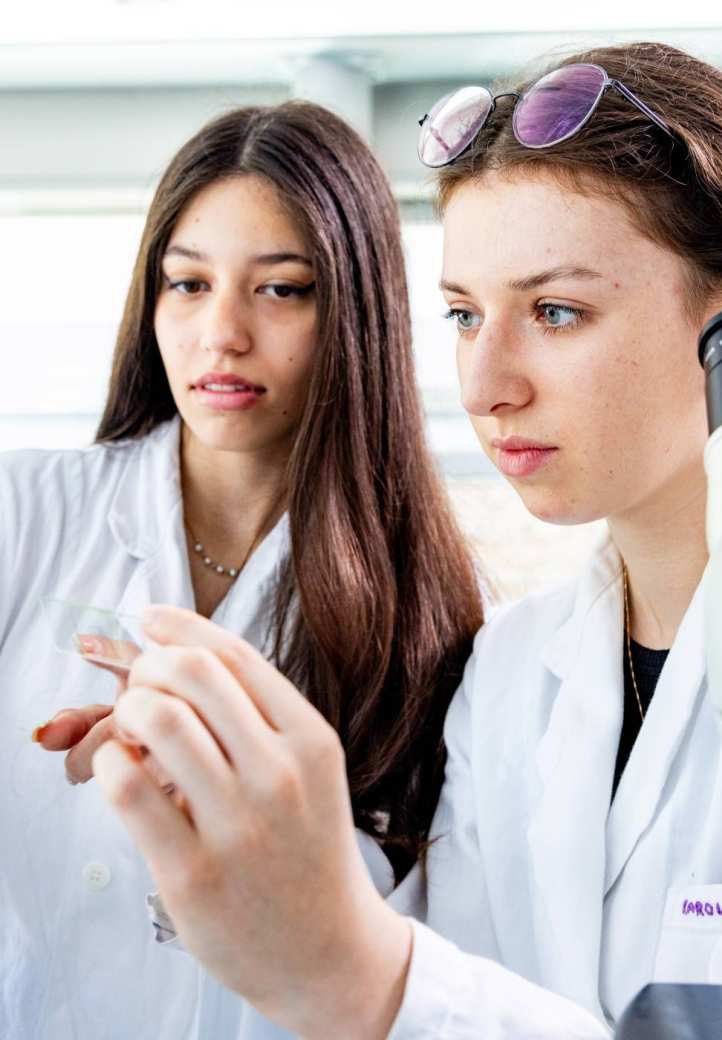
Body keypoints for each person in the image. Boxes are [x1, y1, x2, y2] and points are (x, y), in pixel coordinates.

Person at [83, 41, 722, 1038]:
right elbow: (433, 994)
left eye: (555, 311)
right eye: (467, 315)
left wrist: (357, 964)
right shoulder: (511, 675)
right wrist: (246, 841)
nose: (484, 385)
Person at [0, 102, 483, 1040]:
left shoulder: (430, 615)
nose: (220, 333)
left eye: (282, 289)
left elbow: (417, 964)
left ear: (355, 311)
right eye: (187, 284)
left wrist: (229, 820)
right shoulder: (25, 515)